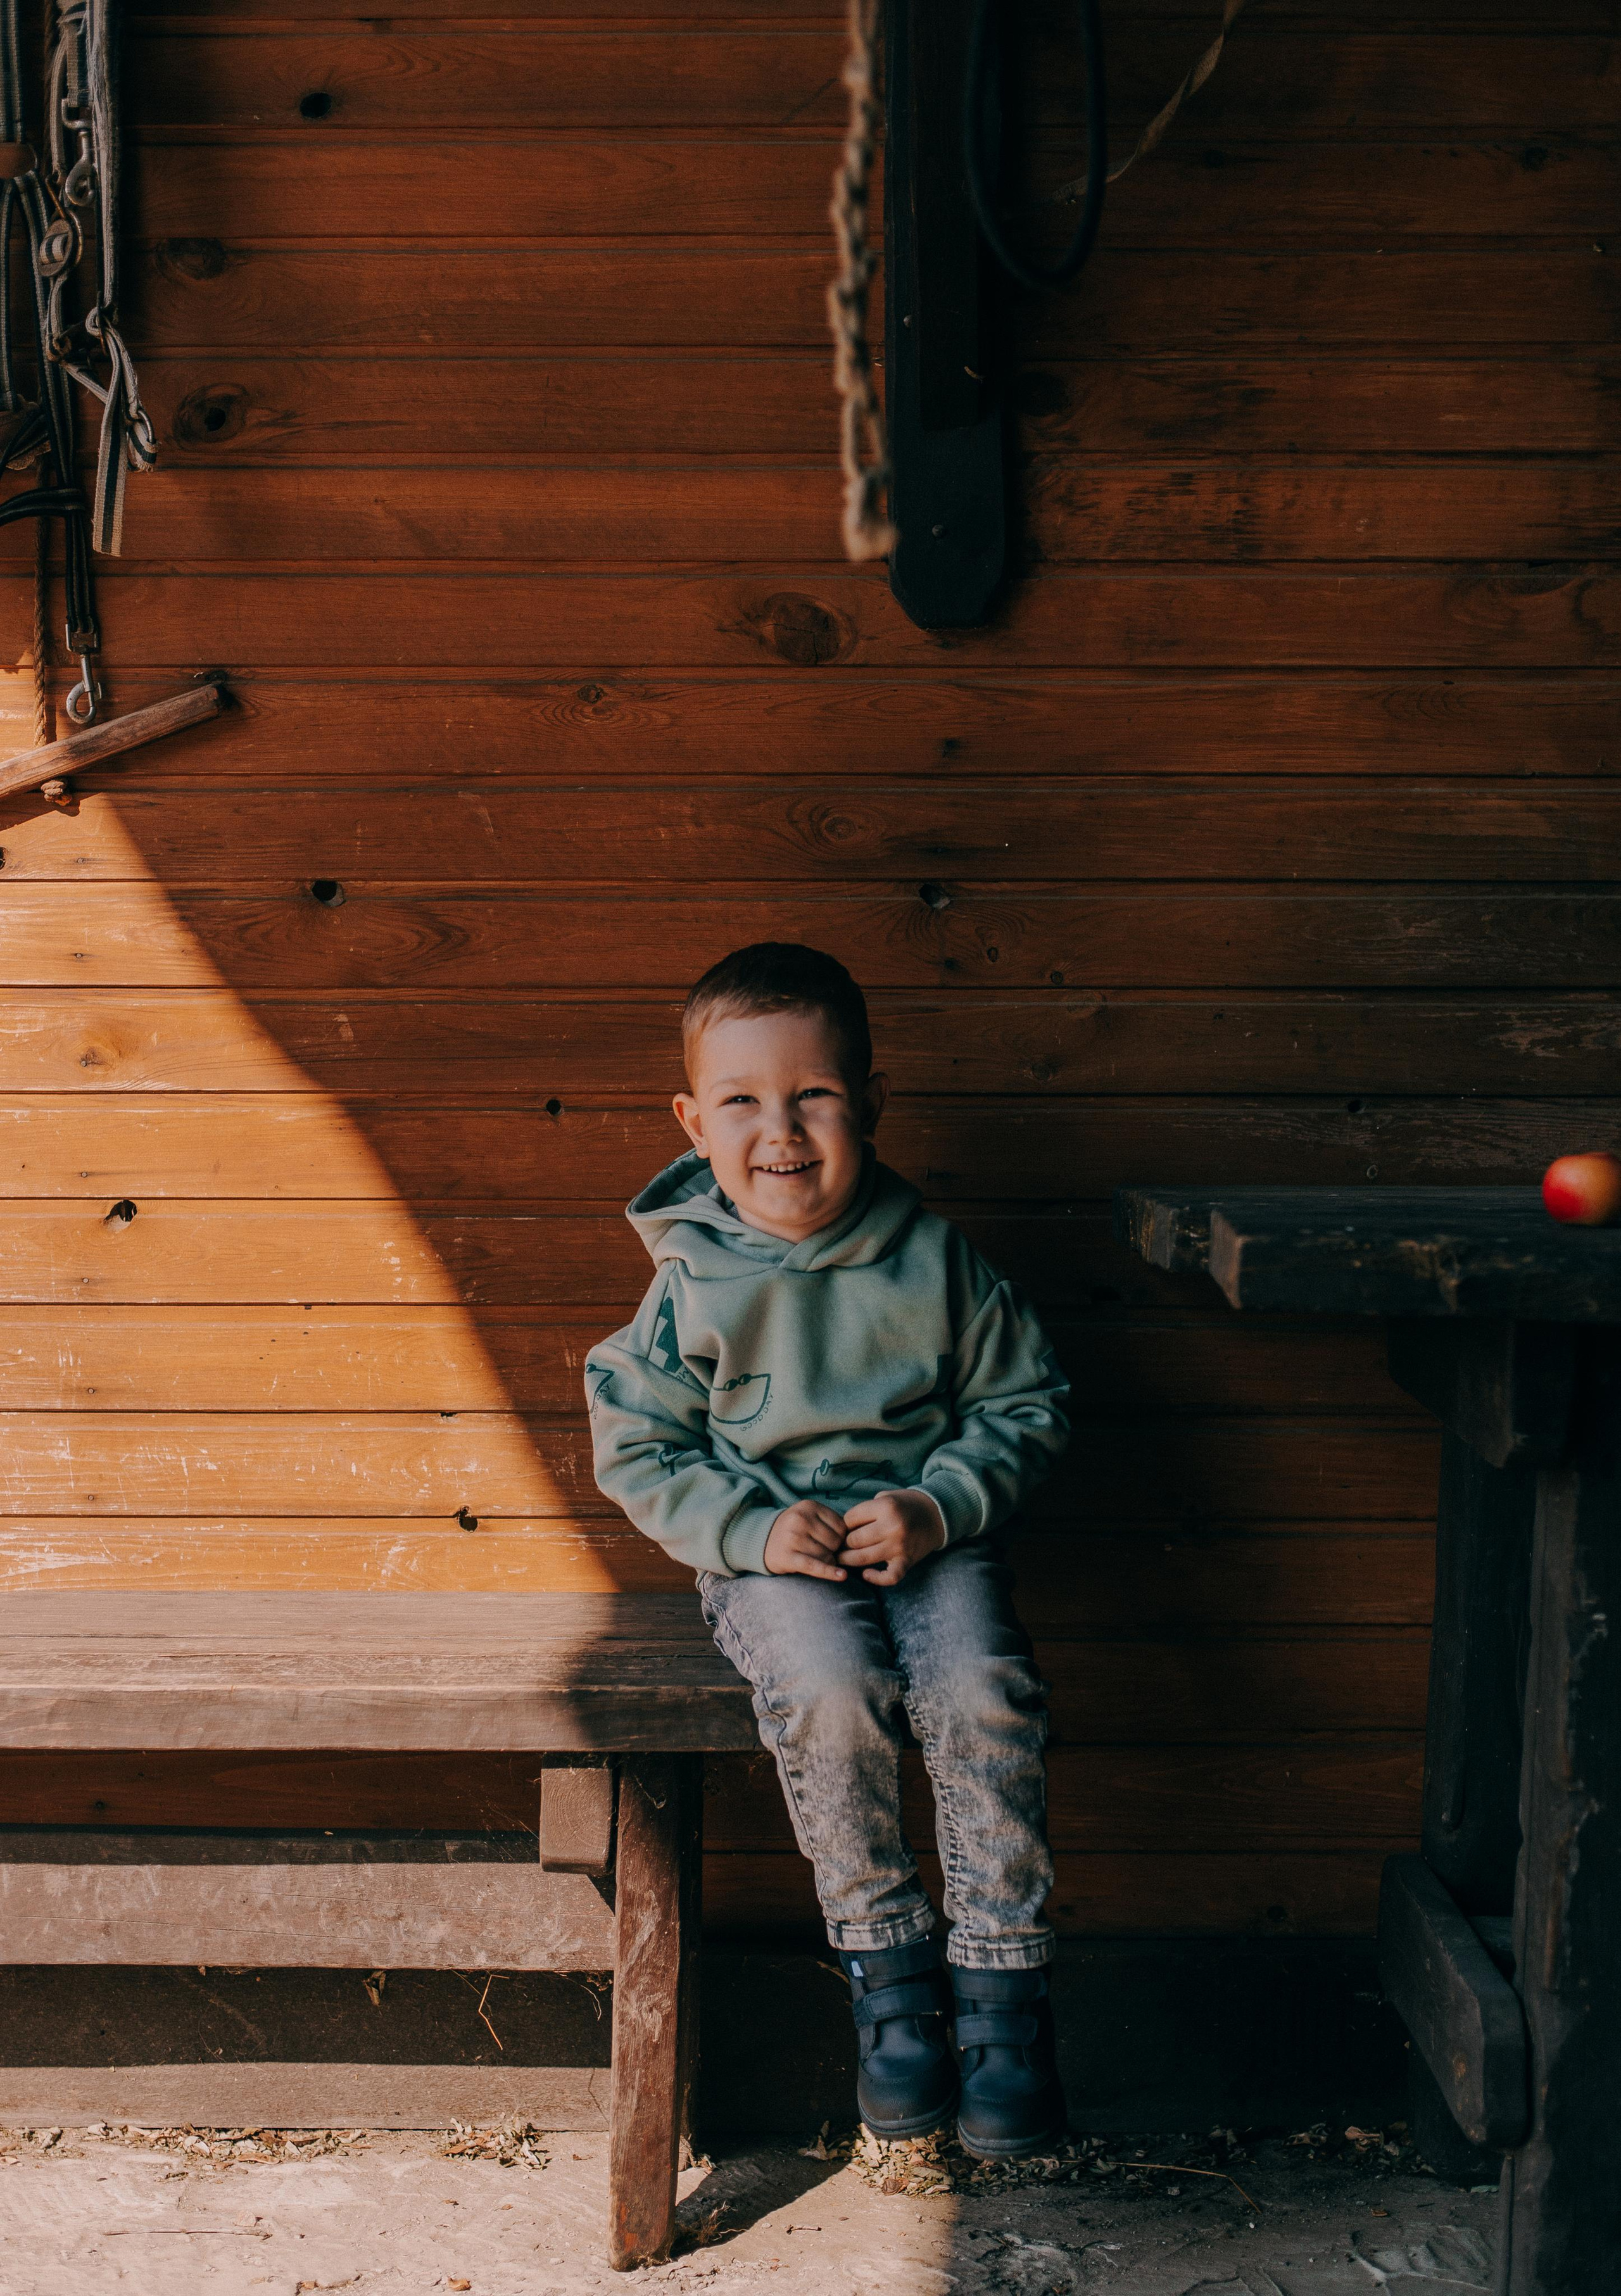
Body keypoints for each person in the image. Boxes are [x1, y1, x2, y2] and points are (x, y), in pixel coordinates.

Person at [586, 943, 1071, 2155]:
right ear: (695, 1122)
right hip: (771, 1562)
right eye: (743, 1100)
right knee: (830, 1689)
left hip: (932, 1544)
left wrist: (941, 1503)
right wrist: (750, 1528)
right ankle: (891, 1983)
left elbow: (1027, 1404)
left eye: (813, 1095)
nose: (780, 1129)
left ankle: (1005, 2001)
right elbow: (641, 1445)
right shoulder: (687, 1278)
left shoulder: (936, 1261)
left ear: (868, 1104)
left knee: (980, 1689)